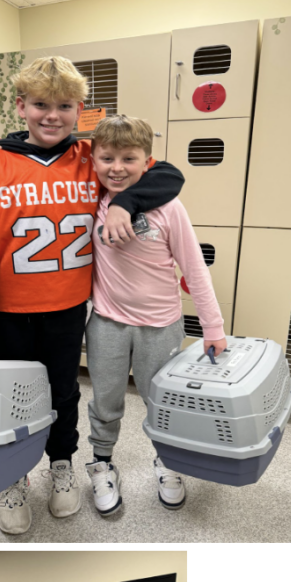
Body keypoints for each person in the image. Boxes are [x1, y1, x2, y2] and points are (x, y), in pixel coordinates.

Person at [0, 56, 185, 535]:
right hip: (5, 310)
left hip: (67, 306)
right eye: (40, 105)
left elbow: (167, 176)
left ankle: (61, 466)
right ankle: (14, 477)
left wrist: (122, 202)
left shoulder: (89, 158)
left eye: (63, 106)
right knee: (10, 398)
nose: (50, 115)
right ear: (21, 106)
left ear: (81, 110)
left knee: (63, 392)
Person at [84, 115, 225, 516]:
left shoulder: (168, 205)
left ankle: (168, 462)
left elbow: (194, 268)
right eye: (107, 158)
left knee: (161, 401)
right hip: (107, 323)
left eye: (129, 158)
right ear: (93, 160)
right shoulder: (90, 195)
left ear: (148, 162)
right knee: (105, 401)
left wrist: (212, 326)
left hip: (161, 326)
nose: (116, 167)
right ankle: (102, 462)